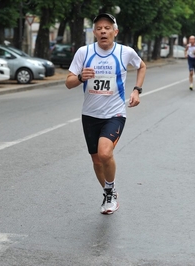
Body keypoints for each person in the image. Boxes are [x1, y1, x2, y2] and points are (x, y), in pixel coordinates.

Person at [65, 13, 146, 215]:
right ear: (94, 32)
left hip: (115, 113)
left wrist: (137, 90)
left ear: (115, 32)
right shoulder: (84, 52)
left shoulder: (125, 52)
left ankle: (109, 194)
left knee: (104, 153)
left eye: (107, 27)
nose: (103, 31)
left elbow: (142, 66)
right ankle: (111, 190)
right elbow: (68, 82)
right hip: (90, 115)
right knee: (96, 160)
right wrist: (81, 77)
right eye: (99, 28)